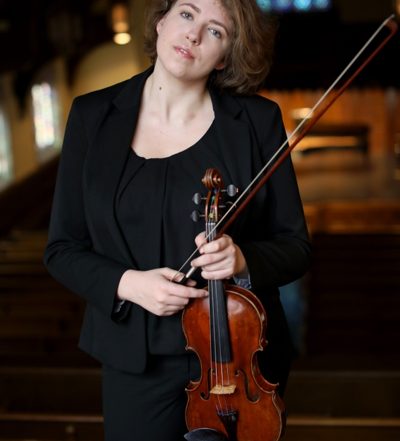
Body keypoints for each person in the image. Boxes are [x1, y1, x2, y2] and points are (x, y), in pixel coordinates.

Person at [44, 0, 311, 440]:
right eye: (187, 14)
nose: (193, 34)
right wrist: (129, 284)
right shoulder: (92, 117)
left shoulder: (257, 122)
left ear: (224, 57)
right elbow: (62, 249)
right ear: (161, 20)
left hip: (237, 359)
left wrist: (241, 259)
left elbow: (295, 247)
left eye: (215, 31)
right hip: (135, 359)